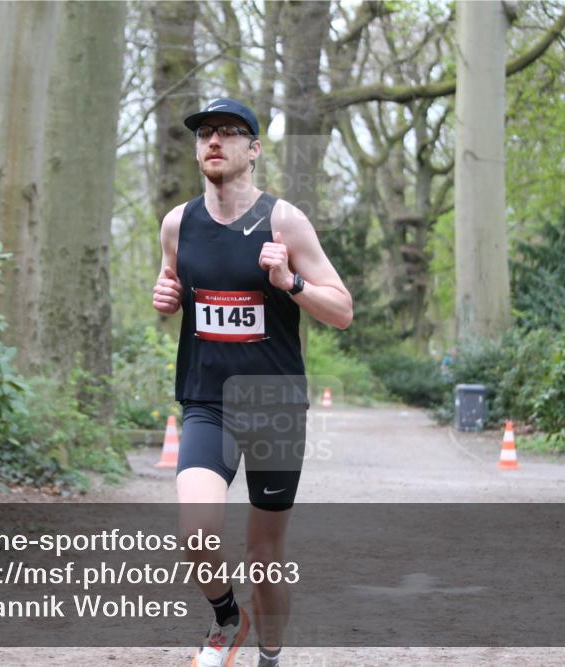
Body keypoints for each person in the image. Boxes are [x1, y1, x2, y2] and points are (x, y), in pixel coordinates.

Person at [152, 97, 353, 667]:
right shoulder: (177, 224)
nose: (213, 141)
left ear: (254, 148)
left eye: (228, 132)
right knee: (196, 533)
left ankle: (270, 657)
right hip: (207, 401)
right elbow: (172, 285)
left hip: (274, 405)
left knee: (265, 555)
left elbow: (342, 310)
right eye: (204, 134)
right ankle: (226, 616)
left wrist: (290, 282)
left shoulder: (283, 220)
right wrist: (165, 296)